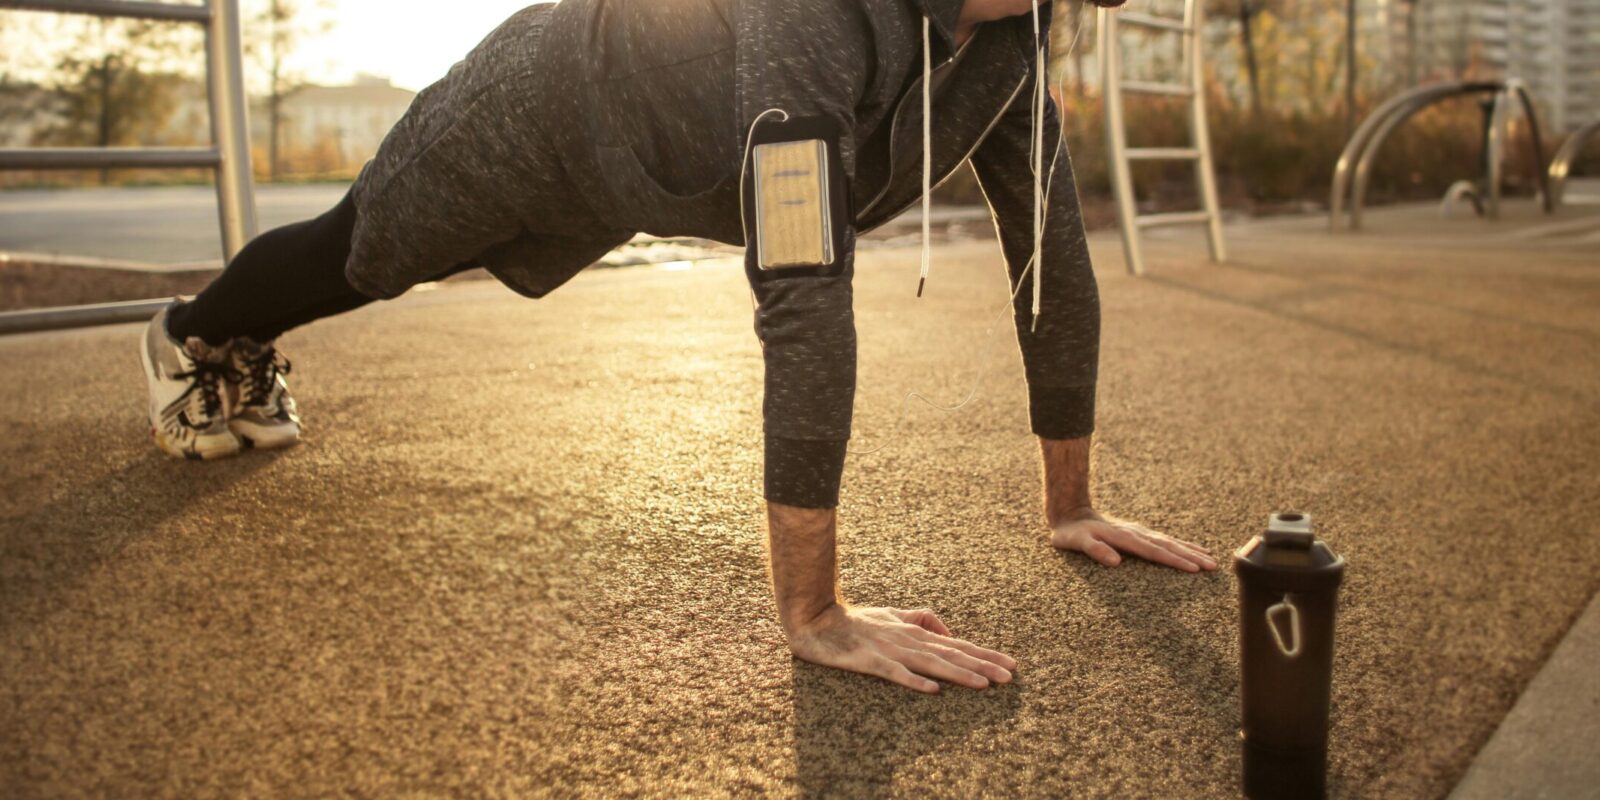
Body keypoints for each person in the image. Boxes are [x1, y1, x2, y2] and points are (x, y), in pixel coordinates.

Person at [139, 0, 1217, 694]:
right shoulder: (815, 18)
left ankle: (222, 339)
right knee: (359, 255)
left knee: (367, 256)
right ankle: (192, 335)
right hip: (536, 111)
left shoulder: (1013, 52)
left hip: (658, 170)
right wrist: (814, 609)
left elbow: (1054, 257)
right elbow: (802, 287)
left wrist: (1069, 500)